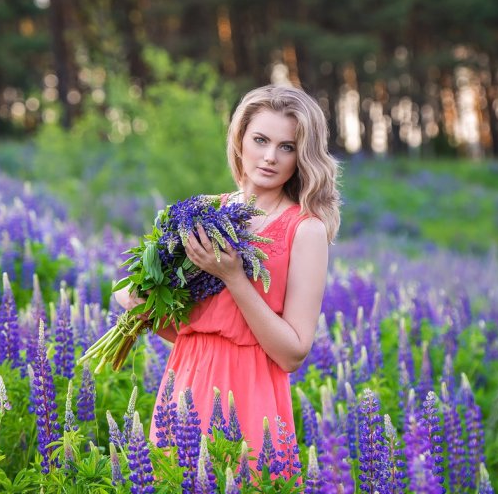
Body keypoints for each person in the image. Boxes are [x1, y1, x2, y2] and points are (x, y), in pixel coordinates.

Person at [115, 84, 341, 469]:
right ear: (239, 141)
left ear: (302, 158)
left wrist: (234, 277)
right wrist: (140, 303)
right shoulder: (203, 210)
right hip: (185, 379)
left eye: (287, 147)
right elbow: (185, 326)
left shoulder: (304, 230)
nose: (270, 157)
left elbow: (292, 353)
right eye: (260, 140)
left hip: (251, 391)